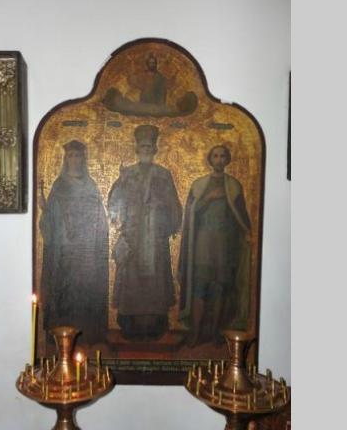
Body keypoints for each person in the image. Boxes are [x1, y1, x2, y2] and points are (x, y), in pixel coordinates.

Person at [107, 125, 182, 340]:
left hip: (155, 236)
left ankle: (155, 324)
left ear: (155, 149)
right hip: (133, 236)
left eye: (149, 146)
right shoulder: (128, 173)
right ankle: (130, 323)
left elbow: (174, 204)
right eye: (142, 146)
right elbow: (113, 202)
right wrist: (120, 182)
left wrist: (167, 219)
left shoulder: (163, 174)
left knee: (155, 281)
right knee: (131, 279)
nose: (146, 150)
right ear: (137, 149)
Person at [177, 145, 252, 347]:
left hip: (224, 245)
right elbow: (191, 213)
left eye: (222, 156)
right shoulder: (199, 185)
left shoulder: (234, 186)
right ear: (210, 160)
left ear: (227, 160)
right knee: (200, 286)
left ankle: (215, 331)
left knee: (220, 288)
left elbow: (240, 214)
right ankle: (195, 332)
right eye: (215, 156)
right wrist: (209, 198)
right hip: (202, 243)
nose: (219, 159)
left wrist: (247, 231)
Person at [39, 140, 109, 345]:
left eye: (78, 155)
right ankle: (62, 333)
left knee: (85, 287)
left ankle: (85, 333)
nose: (74, 160)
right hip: (64, 249)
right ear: (65, 159)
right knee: (65, 289)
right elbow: (51, 220)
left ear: (83, 159)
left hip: (86, 249)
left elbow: (99, 218)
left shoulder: (91, 185)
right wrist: (45, 210)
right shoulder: (59, 185)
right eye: (70, 156)